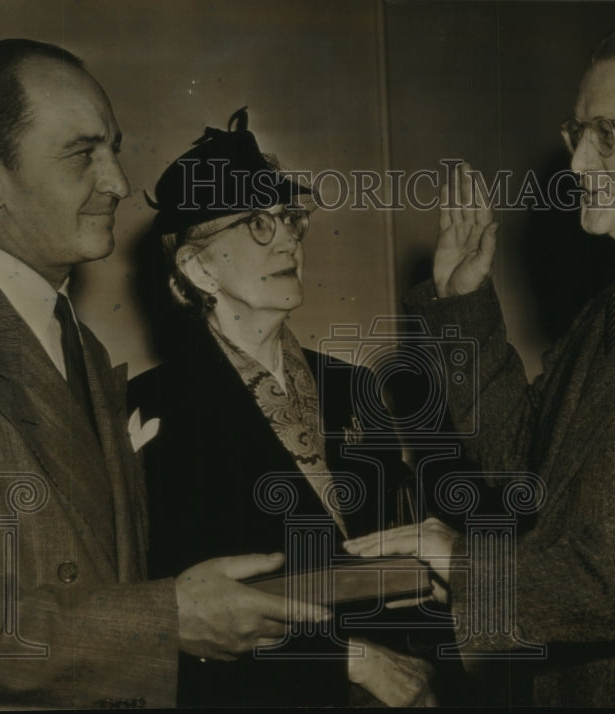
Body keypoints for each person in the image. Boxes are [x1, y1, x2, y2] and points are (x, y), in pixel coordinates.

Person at [345, 23, 615, 710]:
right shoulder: (614, 306)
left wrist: (472, 567)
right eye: (576, 133)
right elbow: (522, 464)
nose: (577, 164)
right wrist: (463, 306)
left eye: (609, 133)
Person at [0, 39, 327, 708]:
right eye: (81, 155)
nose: (118, 183)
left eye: (114, 150)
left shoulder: (84, 349)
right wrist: (168, 622)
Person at [128, 108, 437, 707]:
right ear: (196, 267)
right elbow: (179, 607)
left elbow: (411, 547)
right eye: (255, 223)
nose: (288, 236)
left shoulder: (354, 386)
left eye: (288, 217)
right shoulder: (153, 409)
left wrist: (424, 671)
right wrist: (351, 661)